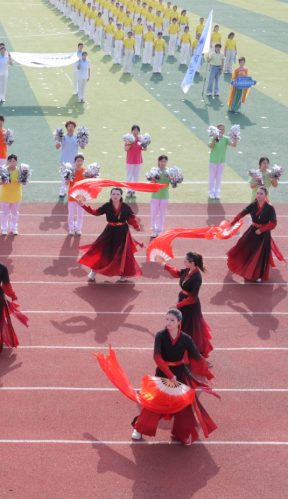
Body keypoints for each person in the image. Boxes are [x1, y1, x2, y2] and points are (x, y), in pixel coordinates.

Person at [131, 309, 217, 446]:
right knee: (155, 402)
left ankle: (184, 434)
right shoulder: (160, 335)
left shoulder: (186, 338)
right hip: (163, 373)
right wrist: (170, 375)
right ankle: (139, 428)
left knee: (182, 404)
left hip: (180, 373)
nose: (168, 322)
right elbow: (157, 357)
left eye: (172, 320)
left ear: (179, 322)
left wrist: (208, 373)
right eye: (167, 319)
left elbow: (197, 356)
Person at [77, 188, 143, 282]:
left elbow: (131, 217)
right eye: (113, 194)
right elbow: (96, 212)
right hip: (109, 231)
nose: (115, 196)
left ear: (121, 196)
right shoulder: (107, 206)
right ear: (111, 195)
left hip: (122, 232)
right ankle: (94, 272)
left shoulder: (125, 206)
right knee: (104, 251)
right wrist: (83, 205)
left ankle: (123, 274)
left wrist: (136, 226)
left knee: (122, 253)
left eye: (118, 194)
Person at [158, 253, 213, 358]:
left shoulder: (197, 278)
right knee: (181, 326)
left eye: (185, 261)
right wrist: (165, 265)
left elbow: (192, 298)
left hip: (190, 307)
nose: (184, 262)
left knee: (187, 328)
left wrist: (177, 305)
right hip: (184, 301)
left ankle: (187, 353)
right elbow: (178, 273)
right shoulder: (188, 270)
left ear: (192, 263)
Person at [227, 187, 285, 282]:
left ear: (266, 195)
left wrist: (261, 230)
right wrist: (232, 222)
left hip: (263, 234)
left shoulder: (270, 207)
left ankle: (258, 275)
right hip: (252, 230)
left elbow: (273, 223)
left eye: (261, 194)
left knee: (260, 254)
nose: (258, 195)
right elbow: (242, 213)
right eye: (257, 193)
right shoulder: (253, 205)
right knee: (245, 248)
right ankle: (247, 270)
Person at [207, 123, 237, 200]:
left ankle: (217, 192)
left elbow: (234, 145)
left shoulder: (226, 139)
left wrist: (235, 138)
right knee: (212, 177)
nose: (222, 131)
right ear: (217, 130)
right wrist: (214, 139)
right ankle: (211, 191)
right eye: (220, 129)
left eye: (223, 129)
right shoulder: (213, 138)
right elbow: (210, 146)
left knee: (219, 177)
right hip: (213, 161)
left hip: (222, 161)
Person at [56, 120, 83, 198]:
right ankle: (63, 190)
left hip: (75, 160)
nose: (70, 128)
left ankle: (73, 191)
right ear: (67, 128)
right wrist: (58, 139)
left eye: (72, 126)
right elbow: (57, 147)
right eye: (69, 126)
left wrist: (82, 139)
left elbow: (82, 147)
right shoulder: (63, 137)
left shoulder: (77, 137)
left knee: (74, 176)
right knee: (64, 176)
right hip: (65, 160)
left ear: (74, 128)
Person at [0, 154, 24, 235]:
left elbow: (24, 182)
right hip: (5, 196)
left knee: (15, 213)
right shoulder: (3, 170)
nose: (12, 163)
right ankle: (4, 229)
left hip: (16, 195)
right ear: (8, 162)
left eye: (14, 161)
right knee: (4, 213)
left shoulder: (20, 171)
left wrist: (24, 181)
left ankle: (14, 228)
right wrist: (3, 181)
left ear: (16, 162)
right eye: (10, 161)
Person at [148, 155, 170, 237]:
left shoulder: (169, 172)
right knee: (154, 213)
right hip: (155, 195)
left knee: (162, 214)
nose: (163, 163)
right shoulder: (154, 171)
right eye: (161, 161)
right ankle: (154, 229)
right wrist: (153, 178)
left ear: (166, 162)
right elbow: (151, 183)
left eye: (164, 161)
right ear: (159, 162)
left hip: (165, 196)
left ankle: (160, 229)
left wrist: (173, 178)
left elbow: (173, 183)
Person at [66, 154, 86, 236]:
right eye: (78, 161)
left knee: (80, 214)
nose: (80, 162)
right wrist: (68, 176)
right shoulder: (70, 171)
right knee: (71, 214)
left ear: (83, 161)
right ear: (75, 161)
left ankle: (78, 228)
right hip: (72, 195)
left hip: (82, 195)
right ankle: (71, 228)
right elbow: (66, 183)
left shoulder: (86, 171)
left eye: (81, 161)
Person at [124, 125, 146, 197]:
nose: (136, 132)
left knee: (136, 176)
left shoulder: (141, 139)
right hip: (130, 160)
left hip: (138, 160)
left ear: (139, 131)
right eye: (134, 130)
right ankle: (128, 191)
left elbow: (144, 149)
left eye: (137, 130)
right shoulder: (129, 139)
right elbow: (126, 149)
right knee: (129, 176)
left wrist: (145, 144)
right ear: (132, 131)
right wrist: (130, 143)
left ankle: (133, 191)